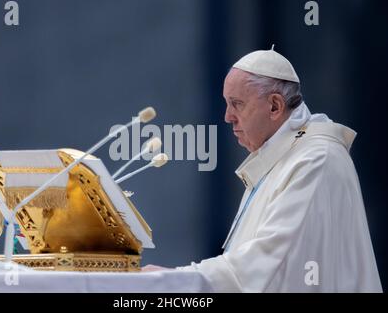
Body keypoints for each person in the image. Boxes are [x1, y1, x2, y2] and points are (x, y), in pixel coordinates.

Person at [142, 47, 382, 293]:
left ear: (275, 106)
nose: (227, 117)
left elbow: (267, 263)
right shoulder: (280, 157)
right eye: (227, 104)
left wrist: (177, 280)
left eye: (237, 104)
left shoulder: (316, 158)